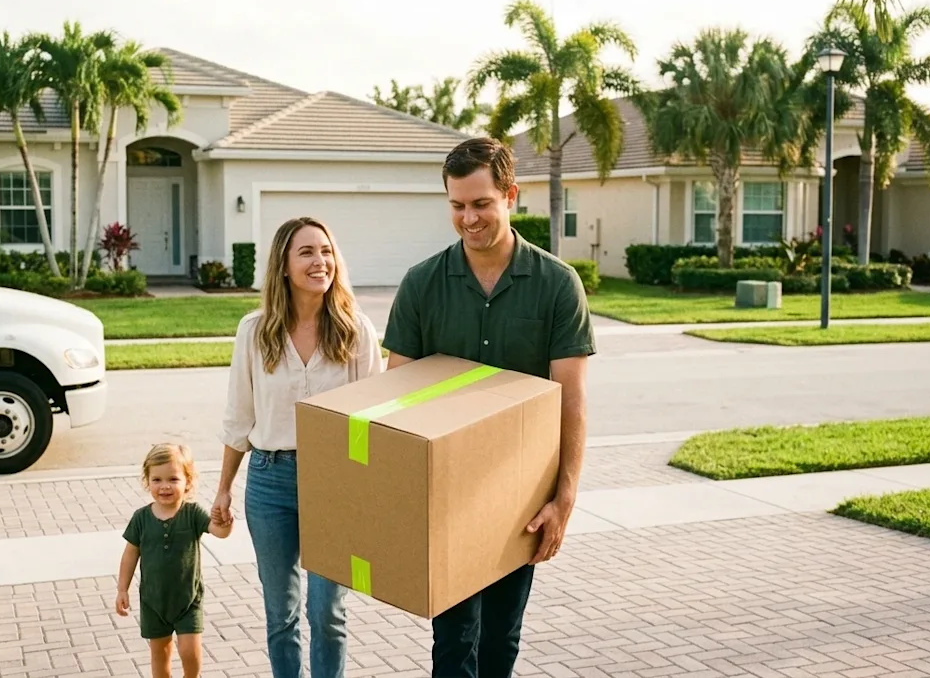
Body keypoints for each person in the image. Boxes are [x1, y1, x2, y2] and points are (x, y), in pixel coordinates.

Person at [381, 137, 594, 678]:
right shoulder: (422, 284)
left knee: (501, 640)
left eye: (481, 204)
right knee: (454, 644)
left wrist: (565, 497)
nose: (468, 218)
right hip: (444, 495)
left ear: (511, 196)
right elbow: (395, 398)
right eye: (457, 205)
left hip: (520, 496)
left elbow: (571, 400)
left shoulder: (557, 285)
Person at [211, 216, 384, 678]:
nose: (320, 261)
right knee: (280, 613)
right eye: (306, 252)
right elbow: (239, 418)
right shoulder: (254, 331)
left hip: (335, 482)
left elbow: (375, 420)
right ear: (283, 266)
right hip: (269, 481)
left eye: (326, 251)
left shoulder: (355, 330)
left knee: (327, 611)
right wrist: (223, 489)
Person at [116, 442, 234, 678]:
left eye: (173, 479)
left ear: (187, 481)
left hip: (188, 601)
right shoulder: (141, 518)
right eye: (157, 479)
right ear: (147, 481)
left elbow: (218, 532)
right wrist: (122, 589)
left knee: (189, 652)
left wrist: (226, 523)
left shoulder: (192, 514)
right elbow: (130, 554)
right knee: (160, 654)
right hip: (153, 601)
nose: (164, 486)